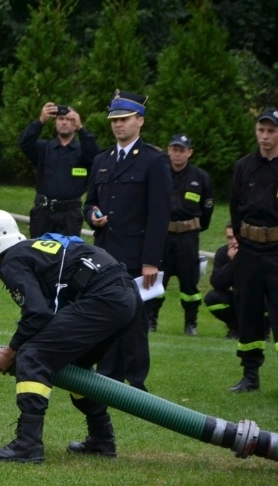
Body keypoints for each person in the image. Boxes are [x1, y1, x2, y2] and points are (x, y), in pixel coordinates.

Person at [0, 210, 141, 463]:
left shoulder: (13, 259)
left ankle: (28, 445)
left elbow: (38, 313)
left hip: (104, 298)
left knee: (32, 355)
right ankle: (102, 439)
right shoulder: (30, 251)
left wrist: (10, 351)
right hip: (126, 298)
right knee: (75, 365)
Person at [83, 90, 171, 391]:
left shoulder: (154, 160)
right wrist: (92, 214)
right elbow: (90, 201)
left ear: (140, 121)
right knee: (105, 315)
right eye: (114, 120)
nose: (118, 125)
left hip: (136, 255)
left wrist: (151, 262)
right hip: (105, 254)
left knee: (134, 321)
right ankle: (107, 377)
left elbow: (160, 216)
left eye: (124, 119)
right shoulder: (101, 160)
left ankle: (136, 384)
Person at [228, 109, 278, 393]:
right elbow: (235, 206)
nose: (266, 136)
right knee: (247, 311)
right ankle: (250, 374)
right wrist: (240, 238)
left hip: (277, 251)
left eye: (271, 131)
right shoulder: (244, 167)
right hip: (249, 249)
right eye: (262, 130)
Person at [145, 134, 214, 335]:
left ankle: (190, 324)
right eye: (174, 149)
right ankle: (151, 320)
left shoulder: (200, 178)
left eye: (181, 150)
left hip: (188, 238)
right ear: (168, 150)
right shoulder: (159, 173)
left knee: (189, 285)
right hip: (162, 236)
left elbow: (207, 209)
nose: (177, 154)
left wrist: (193, 228)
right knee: (156, 281)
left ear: (189, 152)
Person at [18, 102, 101, 238]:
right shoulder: (43, 149)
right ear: (55, 122)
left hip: (70, 216)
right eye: (61, 119)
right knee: (39, 255)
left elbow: (96, 155)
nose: (64, 122)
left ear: (75, 124)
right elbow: (24, 143)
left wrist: (81, 128)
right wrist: (40, 121)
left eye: (69, 119)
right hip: (43, 213)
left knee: (67, 256)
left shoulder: (83, 151)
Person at [203, 223, 238, 339]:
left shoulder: (254, 252)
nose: (233, 241)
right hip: (237, 297)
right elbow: (217, 282)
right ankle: (235, 327)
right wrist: (232, 263)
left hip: (256, 297)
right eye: (229, 238)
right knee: (212, 298)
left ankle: (264, 328)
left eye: (236, 237)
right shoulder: (223, 253)